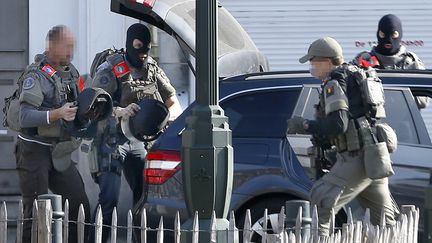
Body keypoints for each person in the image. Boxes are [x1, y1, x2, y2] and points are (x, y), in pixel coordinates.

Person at [287, 37, 398, 237]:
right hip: (375, 157)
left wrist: (304, 125)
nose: (312, 66)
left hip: (357, 157)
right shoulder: (355, 74)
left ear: (327, 62)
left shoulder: (334, 82)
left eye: (314, 61)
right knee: (384, 221)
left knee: (321, 201)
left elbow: (338, 125)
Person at [90, 23, 182, 242]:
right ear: (129, 43)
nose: (142, 53)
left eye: (146, 49)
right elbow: (94, 104)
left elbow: (173, 102)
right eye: (138, 46)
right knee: (108, 198)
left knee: (144, 198)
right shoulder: (111, 68)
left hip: (140, 142)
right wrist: (121, 111)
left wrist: (166, 117)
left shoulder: (152, 69)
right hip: (111, 141)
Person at [15, 25, 90, 242]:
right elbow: (25, 117)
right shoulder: (36, 75)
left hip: (60, 150)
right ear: (51, 46)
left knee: (79, 204)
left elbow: (84, 101)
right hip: (33, 150)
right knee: (36, 212)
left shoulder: (71, 73)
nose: (71, 51)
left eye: (73, 46)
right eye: (66, 46)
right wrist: (57, 114)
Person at [352, 14, 428, 108]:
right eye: (383, 34)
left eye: (393, 34)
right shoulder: (363, 60)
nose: (388, 39)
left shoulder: (411, 63)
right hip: (372, 120)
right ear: (378, 34)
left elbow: (422, 101)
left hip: (403, 120)